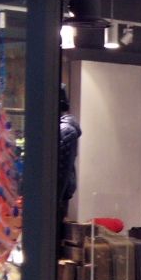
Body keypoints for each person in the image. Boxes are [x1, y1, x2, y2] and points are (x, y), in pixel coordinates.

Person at [58, 85, 81, 237]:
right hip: (56, 193)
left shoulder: (65, 130)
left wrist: (56, 198)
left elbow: (62, 170)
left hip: (58, 194)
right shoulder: (60, 128)